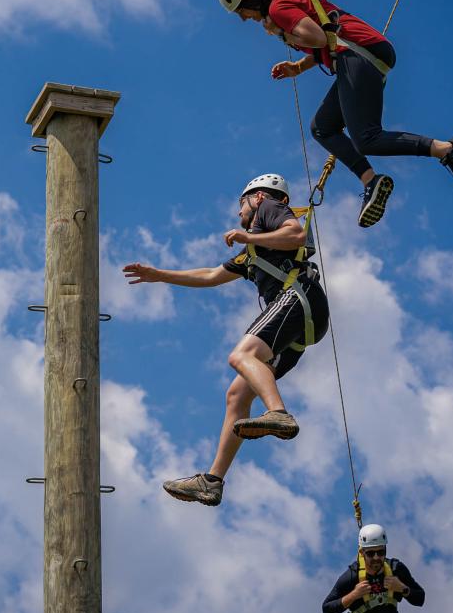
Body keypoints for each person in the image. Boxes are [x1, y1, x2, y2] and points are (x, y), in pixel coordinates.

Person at [123, 173, 329, 507]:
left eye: (241, 204)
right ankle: (212, 481)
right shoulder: (254, 250)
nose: (238, 213)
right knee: (237, 393)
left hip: (298, 296)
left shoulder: (268, 209)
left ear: (258, 197)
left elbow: (296, 233)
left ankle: (277, 412)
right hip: (304, 320)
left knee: (240, 355)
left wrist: (249, 232)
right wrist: (159, 275)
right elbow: (210, 275)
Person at [216, 0, 453, 228]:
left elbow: (316, 37)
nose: (245, 18)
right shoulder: (283, 1)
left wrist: (282, 32)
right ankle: (371, 181)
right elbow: (326, 36)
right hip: (358, 55)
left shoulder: (278, 8)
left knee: (367, 139)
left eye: (241, 11)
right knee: (322, 128)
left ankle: (448, 149)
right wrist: (298, 67)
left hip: (359, 54)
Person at [323, 524, 426, 613]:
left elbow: (420, 598)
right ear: (362, 553)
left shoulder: (396, 570)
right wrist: (354, 595)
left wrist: (402, 588)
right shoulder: (352, 576)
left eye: (380, 552)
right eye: (371, 553)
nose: (376, 557)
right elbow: (327, 610)